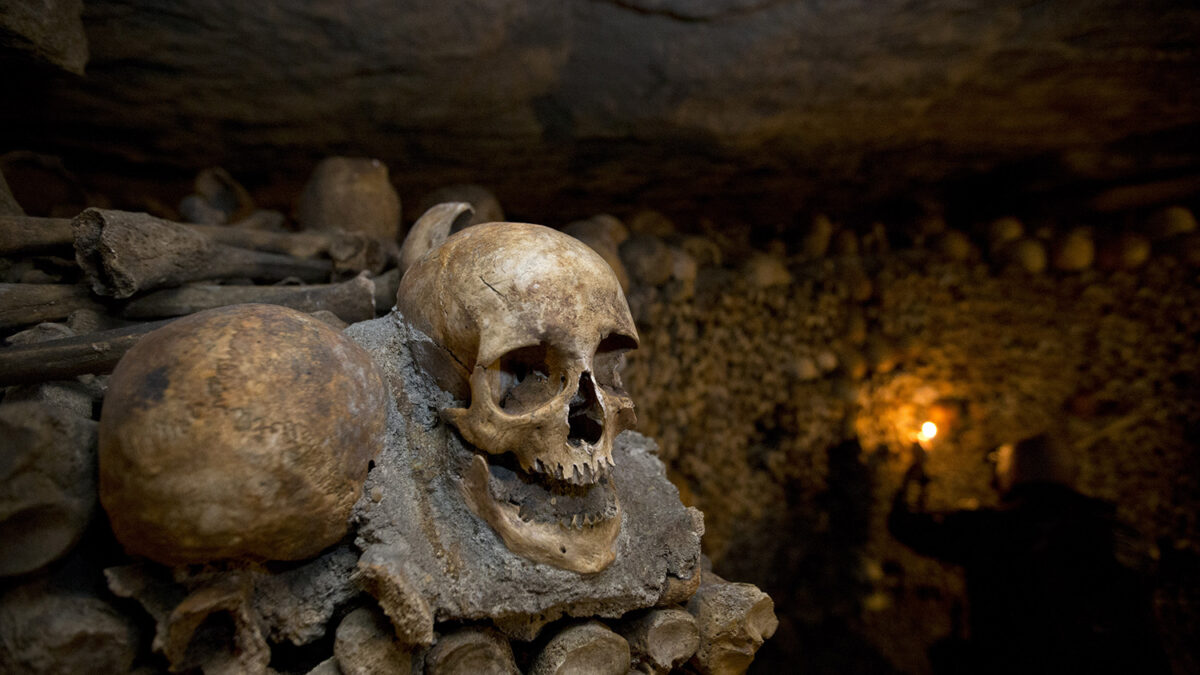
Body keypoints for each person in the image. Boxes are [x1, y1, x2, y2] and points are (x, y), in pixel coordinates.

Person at [888, 434, 1169, 675]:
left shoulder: (991, 530)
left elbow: (905, 525)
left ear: (1013, 472)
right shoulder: (1115, 532)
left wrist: (914, 475)